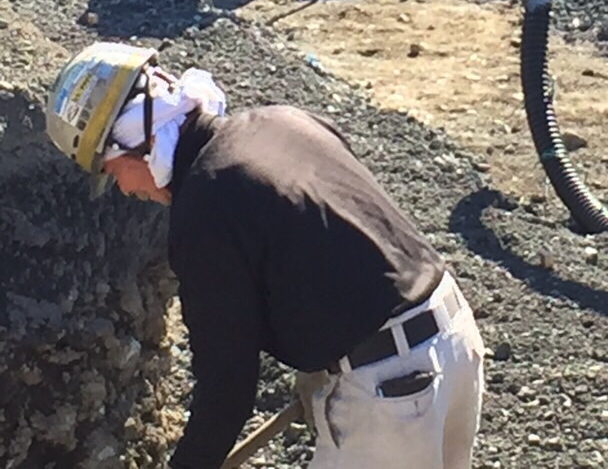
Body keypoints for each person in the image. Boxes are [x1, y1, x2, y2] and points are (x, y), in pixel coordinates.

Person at [45, 41, 485, 469]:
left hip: (394, 390)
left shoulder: (205, 205)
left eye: (111, 170)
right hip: (452, 338)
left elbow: (228, 385)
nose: (124, 189)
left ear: (133, 142)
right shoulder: (282, 123)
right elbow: (343, 243)